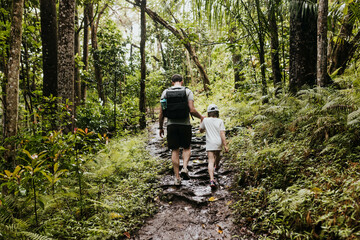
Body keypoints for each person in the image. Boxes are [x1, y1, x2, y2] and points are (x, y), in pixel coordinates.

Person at [159, 74, 204, 185]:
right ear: (182, 81)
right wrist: (201, 117)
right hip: (185, 124)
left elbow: (162, 113)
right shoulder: (187, 91)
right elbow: (192, 110)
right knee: (186, 147)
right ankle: (184, 167)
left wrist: (160, 127)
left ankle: (177, 178)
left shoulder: (165, 92)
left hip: (171, 125)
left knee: (174, 150)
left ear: (172, 82)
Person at [199, 104, 229, 188]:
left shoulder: (205, 120)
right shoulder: (220, 121)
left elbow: (201, 130)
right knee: (218, 156)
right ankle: (217, 165)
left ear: (208, 113)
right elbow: (222, 133)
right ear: (217, 113)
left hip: (210, 143)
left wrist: (201, 121)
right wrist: (225, 145)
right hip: (218, 142)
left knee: (210, 161)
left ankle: (212, 180)